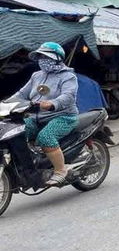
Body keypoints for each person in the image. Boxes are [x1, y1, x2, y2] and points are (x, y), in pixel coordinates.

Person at [11, 42, 79, 186]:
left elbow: (68, 96)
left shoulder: (68, 76)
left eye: (46, 56)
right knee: (15, 132)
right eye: (40, 57)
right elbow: (21, 94)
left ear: (56, 58)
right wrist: (7, 103)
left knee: (45, 137)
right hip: (36, 117)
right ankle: (31, 165)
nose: (42, 60)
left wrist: (52, 103)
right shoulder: (36, 75)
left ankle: (61, 170)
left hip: (63, 116)